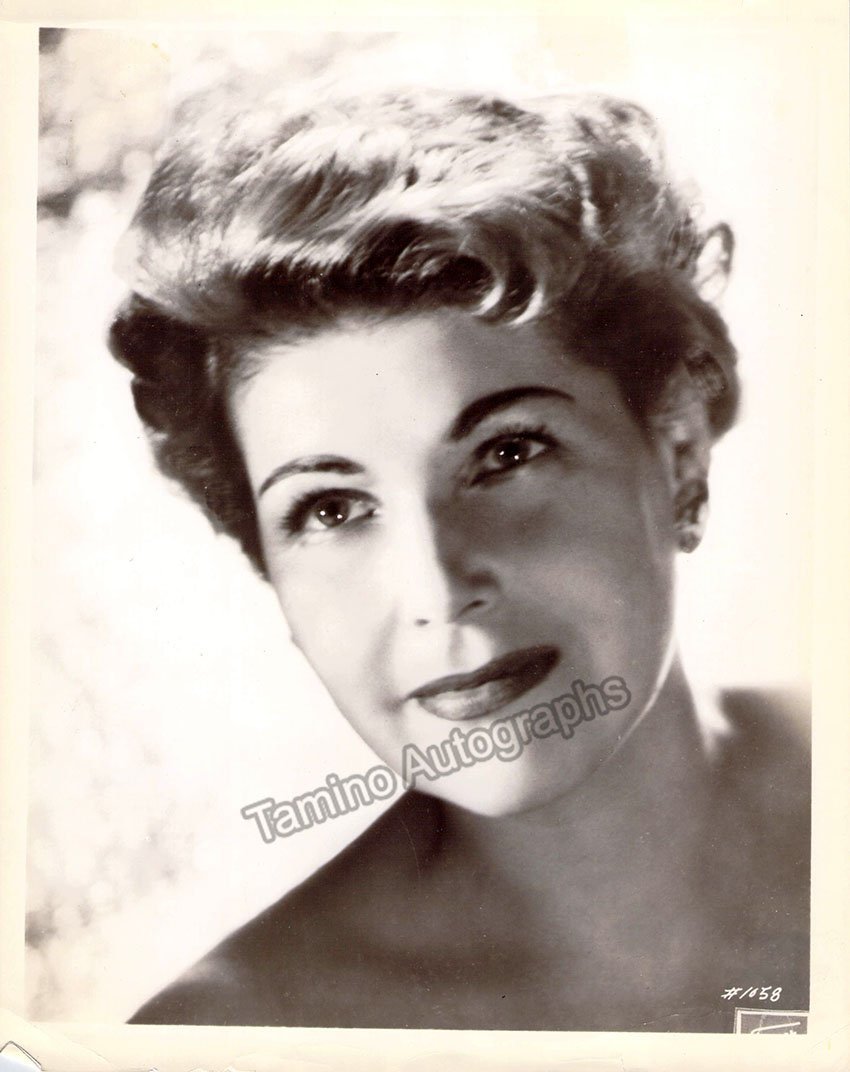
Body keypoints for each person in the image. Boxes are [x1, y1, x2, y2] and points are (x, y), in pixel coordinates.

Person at [108, 83, 810, 1031]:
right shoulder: (233, 1038)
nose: (436, 587)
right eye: (331, 509)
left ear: (678, 449)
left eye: (506, 454)